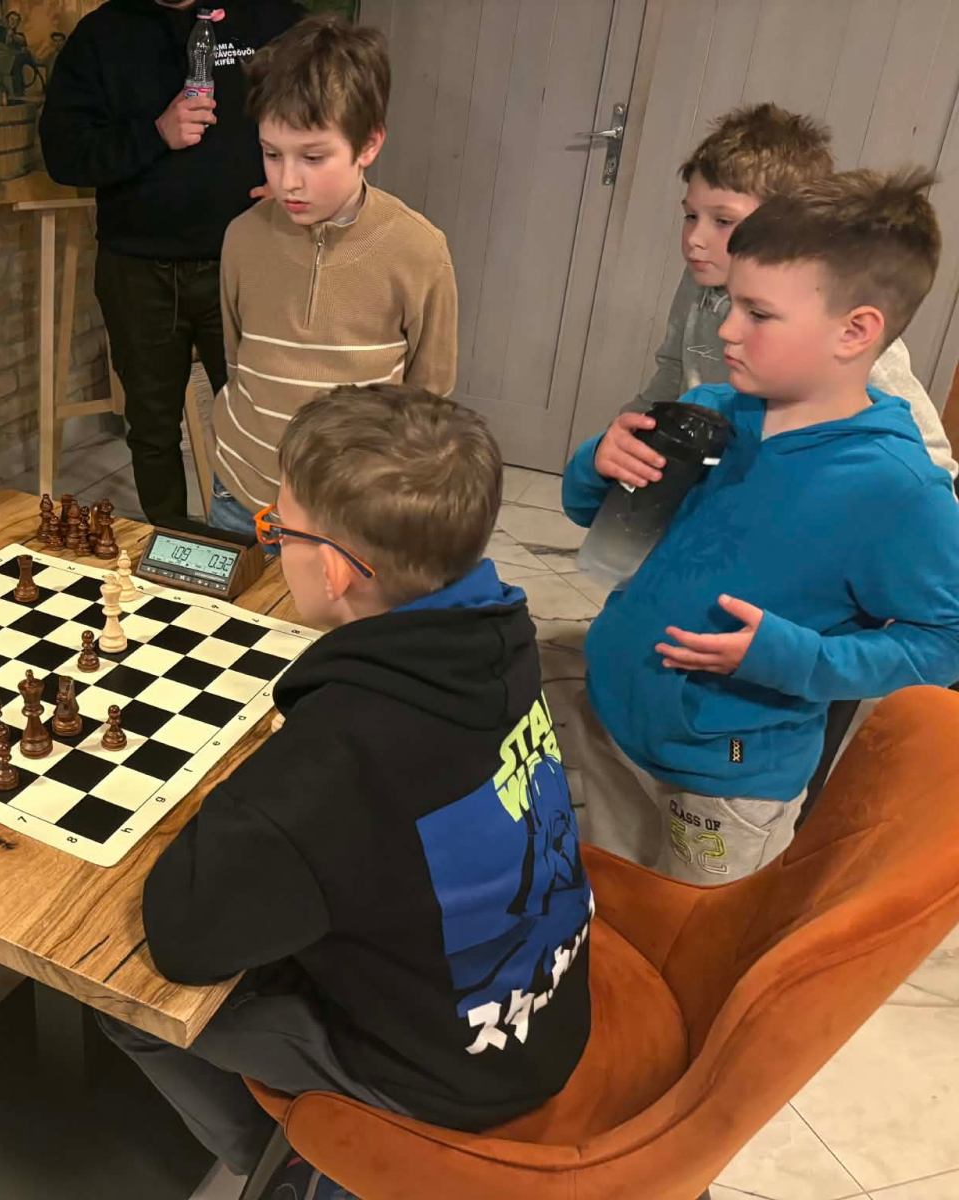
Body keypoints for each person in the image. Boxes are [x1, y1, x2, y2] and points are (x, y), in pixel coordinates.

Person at [99, 385, 593, 1195]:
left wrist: (257, 791)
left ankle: (293, 1155)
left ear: (331, 570)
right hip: (547, 1016)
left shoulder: (336, 760)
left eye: (278, 529)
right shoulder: (502, 638)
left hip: (446, 1078)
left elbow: (183, 939)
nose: (273, 542)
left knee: (124, 1001)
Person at [559, 169, 959, 885]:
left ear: (856, 331)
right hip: (614, 723)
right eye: (729, 303)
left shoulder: (897, 489)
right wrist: (599, 464)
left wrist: (797, 657)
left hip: (730, 775)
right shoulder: (713, 410)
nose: (726, 330)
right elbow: (597, 517)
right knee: (614, 896)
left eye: (758, 313)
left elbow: (943, 643)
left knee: (699, 932)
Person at [39, 0, 304, 526]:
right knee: (152, 427)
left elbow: (331, 113)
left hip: (245, 260)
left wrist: (294, 178)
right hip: (137, 269)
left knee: (261, 420)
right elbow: (63, 156)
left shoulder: (273, 19)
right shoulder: (102, 35)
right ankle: (171, 544)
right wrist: (155, 133)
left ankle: (263, 547)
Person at [208, 15, 458, 538]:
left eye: (313, 156)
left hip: (349, 511)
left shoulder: (418, 249)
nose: (288, 180)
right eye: (271, 154)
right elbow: (236, 357)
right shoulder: (241, 236)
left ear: (368, 144)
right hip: (242, 494)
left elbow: (428, 396)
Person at [620, 102, 954, 477]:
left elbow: (933, 458)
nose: (695, 238)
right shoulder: (699, 278)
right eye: (691, 215)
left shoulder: (837, 322)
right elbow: (673, 369)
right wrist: (629, 431)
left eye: (723, 220)